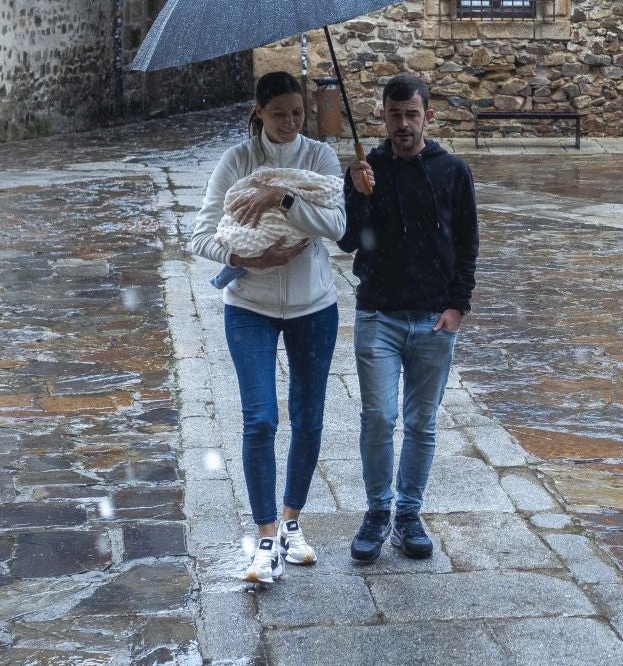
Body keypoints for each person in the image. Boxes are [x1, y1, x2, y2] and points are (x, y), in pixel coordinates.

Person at [191, 71, 346, 585]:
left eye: (297, 113)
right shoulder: (236, 162)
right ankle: (262, 537)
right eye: (278, 113)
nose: (290, 123)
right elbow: (201, 235)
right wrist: (245, 258)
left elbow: (337, 228)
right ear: (259, 111)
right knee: (259, 419)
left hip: (313, 306)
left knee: (308, 416)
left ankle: (291, 522)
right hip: (250, 306)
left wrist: (281, 199)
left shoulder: (319, 159)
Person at [339, 74, 479, 562]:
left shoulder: (452, 171)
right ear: (383, 115)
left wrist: (458, 306)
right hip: (378, 315)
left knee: (422, 422)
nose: (403, 124)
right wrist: (359, 193)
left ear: (428, 116)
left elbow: (467, 243)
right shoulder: (365, 168)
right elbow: (348, 241)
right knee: (378, 416)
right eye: (394, 114)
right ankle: (377, 511)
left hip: (434, 320)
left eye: (412, 114)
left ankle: (408, 514)